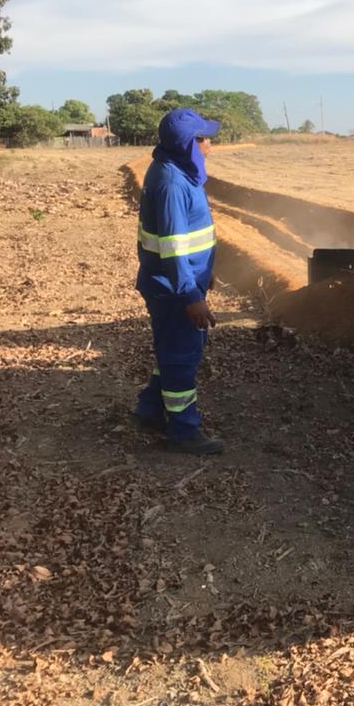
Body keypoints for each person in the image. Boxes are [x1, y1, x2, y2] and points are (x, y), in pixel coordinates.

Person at [132, 107, 224, 455]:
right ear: (188, 144)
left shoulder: (179, 172)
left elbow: (187, 240)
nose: (209, 145)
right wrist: (191, 295)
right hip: (173, 289)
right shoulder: (171, 182)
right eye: (203, 139)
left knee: (173, 350)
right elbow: (171, 248)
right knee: (183, 356)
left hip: (181, 282)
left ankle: (149, 410)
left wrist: (204, 272)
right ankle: (184, 431)